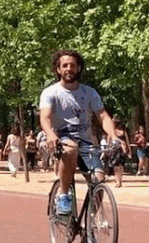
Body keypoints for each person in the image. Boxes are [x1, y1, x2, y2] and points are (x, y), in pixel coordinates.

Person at [39, 49, 117, 216]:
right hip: (63, 140)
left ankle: (89, 221)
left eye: (73, 65)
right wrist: (50, 134)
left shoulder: (90, 93)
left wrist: (114, 136)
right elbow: (45, 117)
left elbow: (103, 116)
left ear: (79, 68)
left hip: (87, 143)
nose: (69, 68)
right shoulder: (50, 93)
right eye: (64, 65)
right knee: (71, 148)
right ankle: (63, 195)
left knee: (98, 180)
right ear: (58, 69)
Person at [110, 118, 131, 187]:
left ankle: (120, 180)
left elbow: (127, 141)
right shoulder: (112, 131)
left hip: (123, 150)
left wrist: (129, 152)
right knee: (116, 166)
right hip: (115, 150)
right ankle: (118, 181)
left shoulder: (124, 131)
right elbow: (109, 141)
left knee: (121, 166)